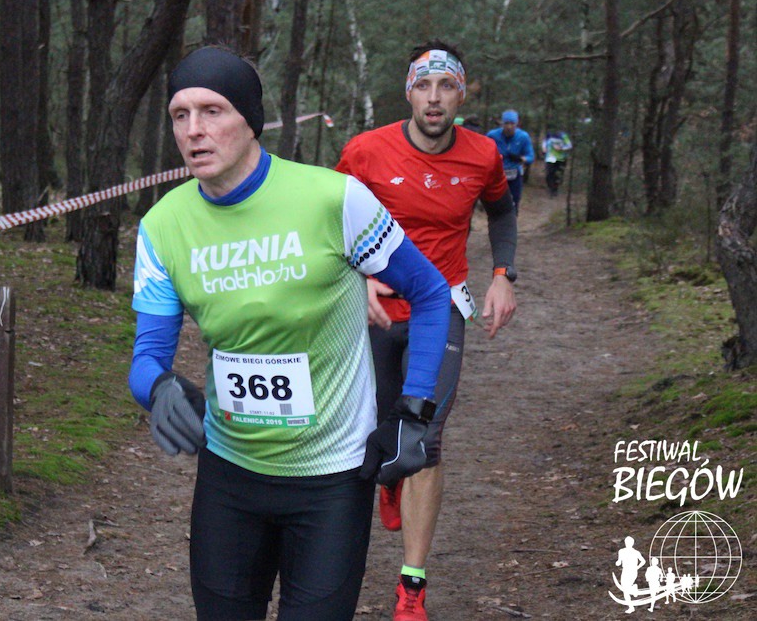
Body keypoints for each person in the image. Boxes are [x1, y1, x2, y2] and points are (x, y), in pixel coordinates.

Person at [128, 46, 452, 621]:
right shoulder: (162, 226)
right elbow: (147, 354)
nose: (194, 130)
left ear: (251, 120)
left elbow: (429, 292)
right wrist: (157, 388)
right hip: (229, 475)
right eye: (180, 115)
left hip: (331, 478)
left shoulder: (333, 199)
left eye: (212, 111)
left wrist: (414, 409)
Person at [336, 40, 518, 621]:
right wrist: (356, 280)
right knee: (373, 430)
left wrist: (503, 275)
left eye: (446, 86)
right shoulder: (365, 151)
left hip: (443, 311)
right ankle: (393, 471)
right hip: (375, 312)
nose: (434, 98)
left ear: (462, 94)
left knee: (425, 440)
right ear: (408, 92)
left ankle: (411, 585)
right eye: (423, 85)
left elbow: (502, 210)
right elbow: (328, 220)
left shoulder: (483, 154)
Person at [487, 109, 534, 213]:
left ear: (517, 124)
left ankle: (513, 216)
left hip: (514, 174)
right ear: (502, 123)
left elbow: (530, 156)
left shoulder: (523, 136)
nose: (509, 127)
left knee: (514, 201)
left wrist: (521, 158)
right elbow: (483, 151)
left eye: (512, 124)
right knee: (496, 201)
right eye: (506, 123)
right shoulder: (492, 135)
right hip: (497, 174)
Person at [542, 129, 572, 196]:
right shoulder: (549, 133)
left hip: (560, 158)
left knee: (557, 174)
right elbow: (545, 141)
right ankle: (550, 187)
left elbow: (569, 145)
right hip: (550, 157)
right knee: (549, 173)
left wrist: (561, 148)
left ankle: (554, 190)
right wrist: (544, 148)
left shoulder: (563, 135)